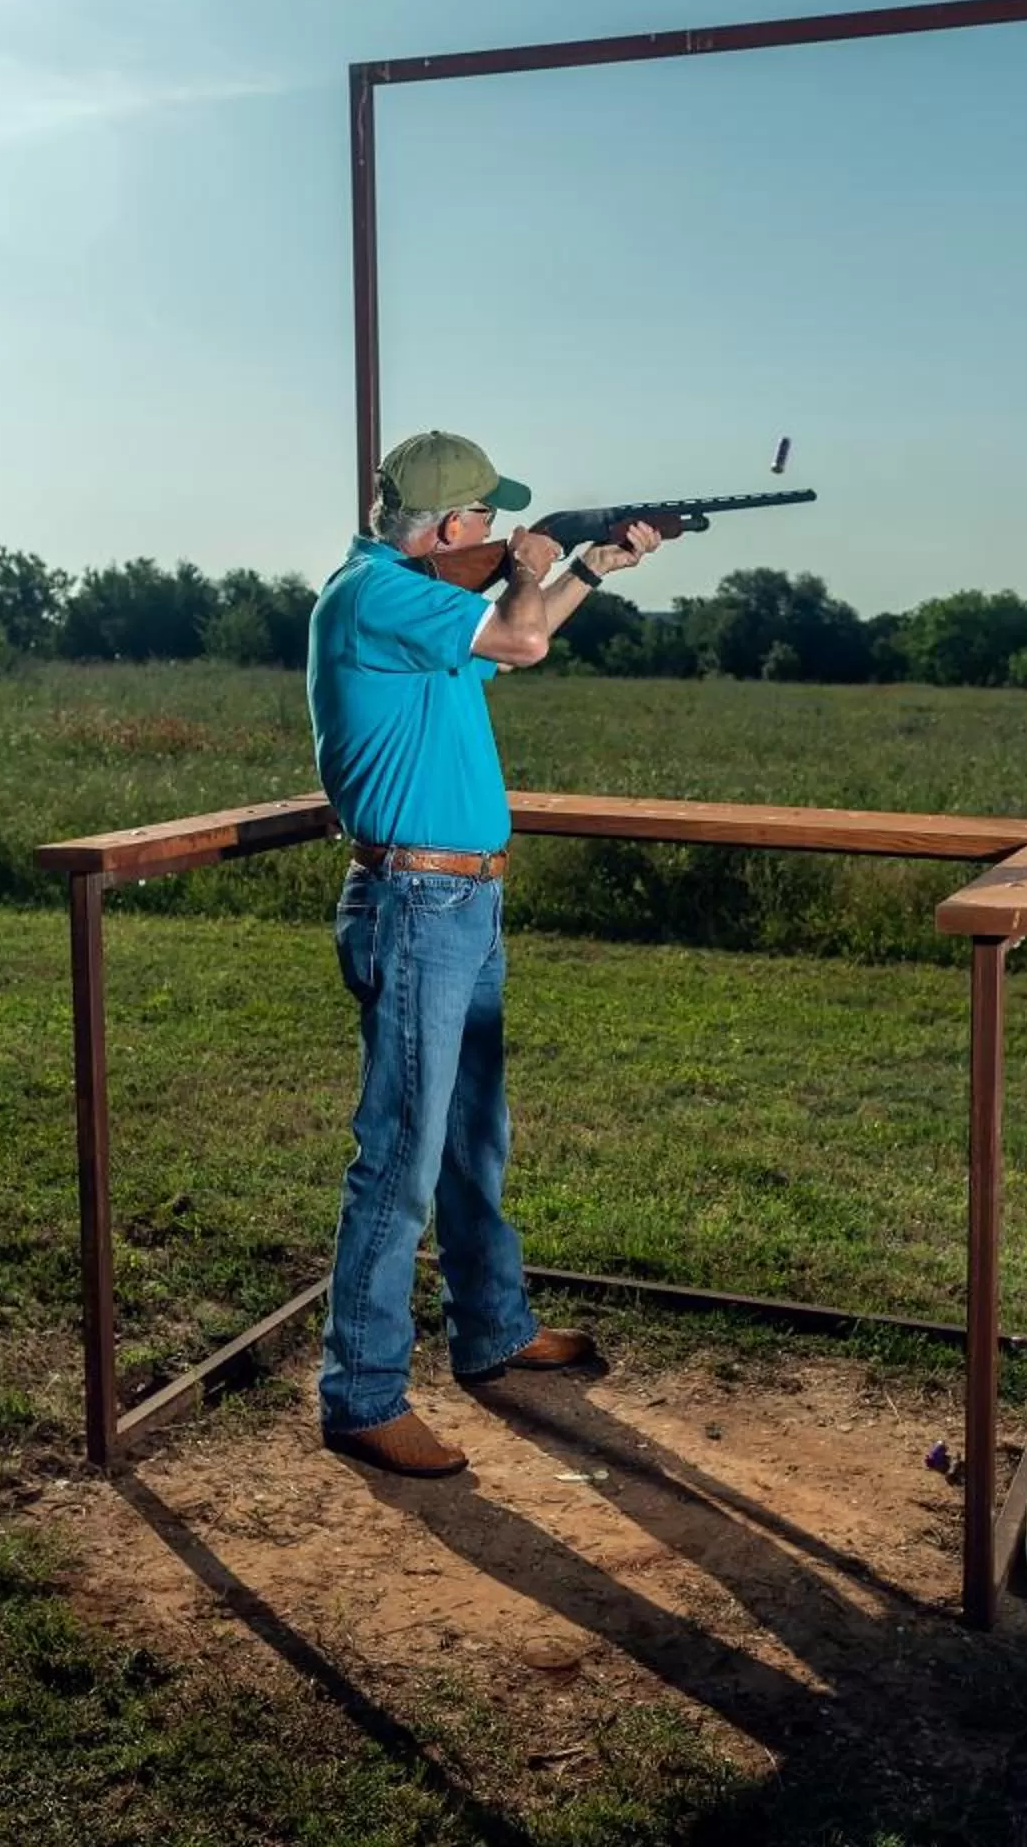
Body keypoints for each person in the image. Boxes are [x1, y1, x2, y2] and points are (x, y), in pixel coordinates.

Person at [305, 429, 663, 1477]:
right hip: (418, 899)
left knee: (473, 1139)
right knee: (402, 1152)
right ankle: (362, 1393)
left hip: (458, 901)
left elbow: (520, 630)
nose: (498, 529)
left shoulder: (418, 603)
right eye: (489, 518)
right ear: (455, 526)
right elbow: (521, 635)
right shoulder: (374, 595)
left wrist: (590, 564)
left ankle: (491, 1327)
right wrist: (536, 557)